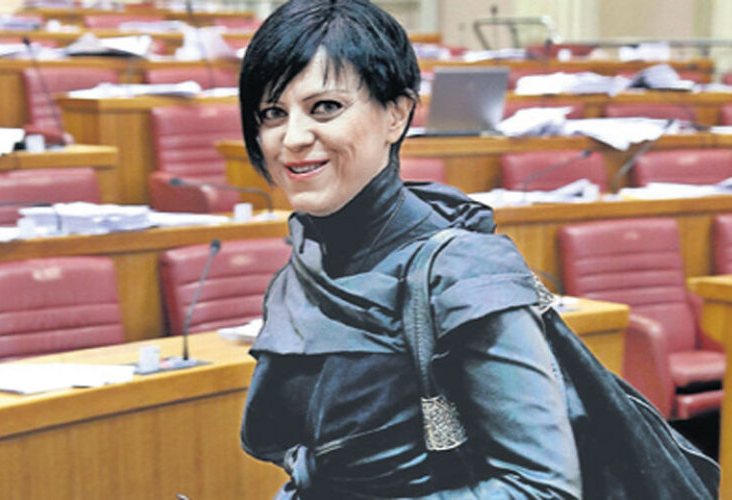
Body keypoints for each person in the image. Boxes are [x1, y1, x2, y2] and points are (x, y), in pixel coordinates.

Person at [237, 1, 582, 498]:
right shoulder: (305, 262)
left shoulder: (462, 271)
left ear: (396, 115)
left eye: (325, 107)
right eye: (272, 113)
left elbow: (543, 490)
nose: (291, 138)